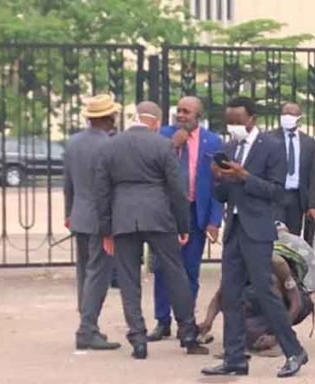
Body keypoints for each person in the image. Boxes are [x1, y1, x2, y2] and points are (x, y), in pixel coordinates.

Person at [94, 100, 208, 359]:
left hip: (123, 217)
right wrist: (182, 224)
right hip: (159, 216)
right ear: (156, 122)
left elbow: (102, 190)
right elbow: (177, 188)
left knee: (128, 279)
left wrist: (106, 229)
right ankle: (188, 333)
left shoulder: (111, 145)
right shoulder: (162, 145)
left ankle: (138, 339)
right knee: (175, 273)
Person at [202, 97, 307, 378]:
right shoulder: (229, 148)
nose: (233, 126)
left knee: (265, 291)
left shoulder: (272, 147)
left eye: (238, 121)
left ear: (252, 119)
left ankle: (294, 351)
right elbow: (222, 195)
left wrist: (245, 176)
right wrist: (218, 177)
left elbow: (278, 192)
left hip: (258, 230)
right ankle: (234, 358)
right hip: (235, 229)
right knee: (231, 294)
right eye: (229, 121)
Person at [148, 96, 223, 342]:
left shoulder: (212, 141)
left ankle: (186, 322)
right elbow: (151, 167)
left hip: (194, 212)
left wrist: (214, 220)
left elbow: (218, 184)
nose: (180, 115)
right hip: (166, 212)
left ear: (198, 116)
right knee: (162, 268)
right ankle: (162, 321)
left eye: (186, 112)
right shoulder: (162, 136)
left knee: (190, 270)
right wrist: (173, 145)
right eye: (178, 111)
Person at [198, 222, 315, 355]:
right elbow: (220, 295)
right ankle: (257, 331)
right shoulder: (238, 262)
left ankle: (278, 338)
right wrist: (208, 322)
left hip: (280, 301)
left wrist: (277, 336)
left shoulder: (278, 263)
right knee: (238, 301)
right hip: (255, 299)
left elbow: (297, 304)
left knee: (271, 285)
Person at [65, 94, 122, 351]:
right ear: (109, 118)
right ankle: (87, 328)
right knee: (98, 274)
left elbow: (68, 183)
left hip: (79, 216)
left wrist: (69, 212)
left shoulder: (73, 142)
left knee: (84, 273)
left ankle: (87, 324)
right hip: (101, 218)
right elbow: (109, 187)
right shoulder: (110, 145)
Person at [266, 102, 315, 235]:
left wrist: (312, 205)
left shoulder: (308, 142)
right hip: (275, 195)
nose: (287, 117)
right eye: (285, 113)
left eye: (291, 114)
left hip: (296, 198)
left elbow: (312, 175)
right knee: (276, 235)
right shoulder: (268, 139)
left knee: (293, 237)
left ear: (299, 118)